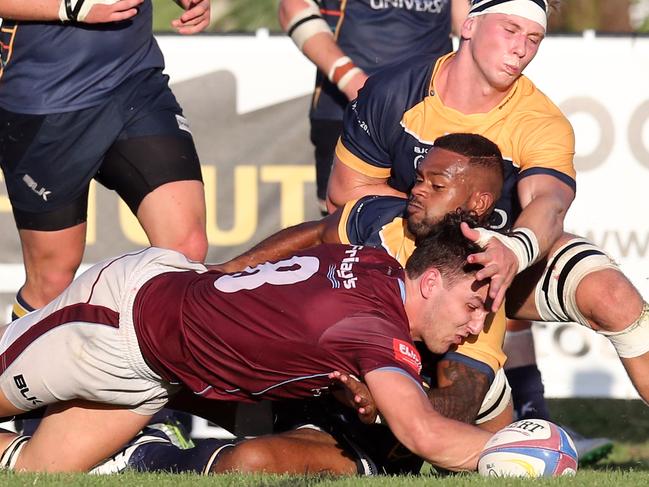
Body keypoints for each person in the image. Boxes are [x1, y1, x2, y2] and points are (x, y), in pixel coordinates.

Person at [93, 133, 512, 477]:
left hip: (377, 432)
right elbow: (317, 233)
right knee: (179, 359)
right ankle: (78, 413)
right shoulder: (384, 221)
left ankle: (144, 454)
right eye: (419, 178)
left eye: (437, 186)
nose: (418, 190)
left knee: (250, 464)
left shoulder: (479, 284)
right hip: (317, 386)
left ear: (477, 204)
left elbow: (458, 406)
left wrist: (385, 400)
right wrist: (232, 269)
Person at [0, 215, 493, 472]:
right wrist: (515, 452)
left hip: (151, 372)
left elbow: (315, 248)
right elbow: (424, 434)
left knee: (37, 471)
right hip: (115, 319)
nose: (474, 327)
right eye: (472, 306)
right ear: (429, 282)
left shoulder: (374, 263)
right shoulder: (374, 329)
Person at [0, 0, 210, 323]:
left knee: (185, 248)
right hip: (46, 101)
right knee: (51, 281)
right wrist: (74, 8)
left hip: (135, 83)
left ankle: (154, 370)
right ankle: (13, 370)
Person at [278, 0, 471, 213]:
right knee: (346, 227)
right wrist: (352, 81)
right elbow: (292, 7)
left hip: (430, 111)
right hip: (348, 108)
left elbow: (464, 20)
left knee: (433, 222)